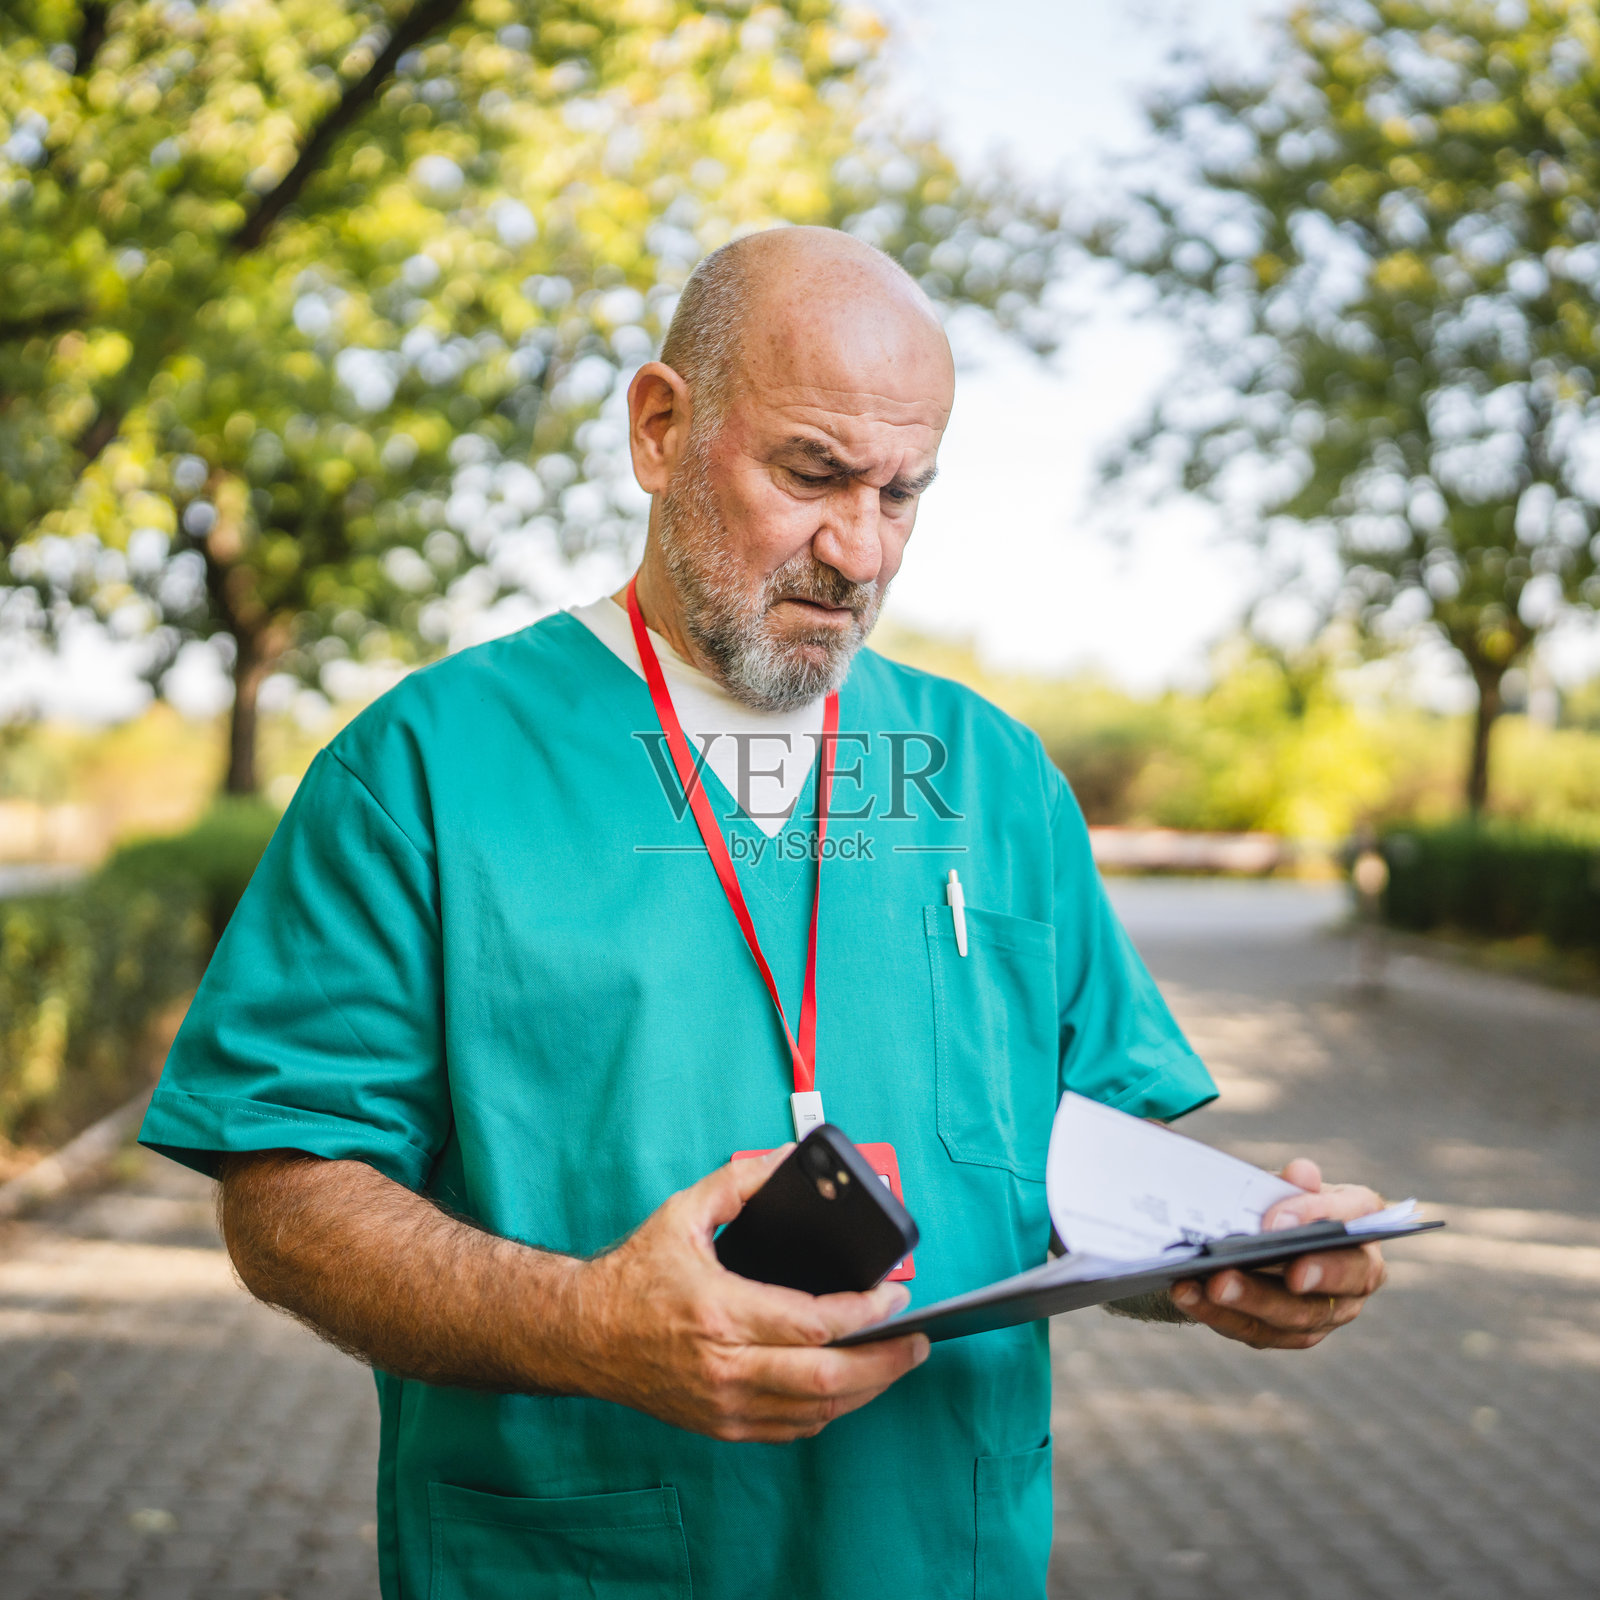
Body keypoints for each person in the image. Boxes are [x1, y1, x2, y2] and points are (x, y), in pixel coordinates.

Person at [139, 226, 1389, 1600]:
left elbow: (1088, 1168)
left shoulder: (996, 777)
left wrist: (1231, 1253)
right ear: (662, 429)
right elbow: (285, 1197)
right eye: (812, 474)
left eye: (903, 494)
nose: (859, 550)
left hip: (941, 1555)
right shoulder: (420, 771)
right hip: (573, 1560)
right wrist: (586, 1323)